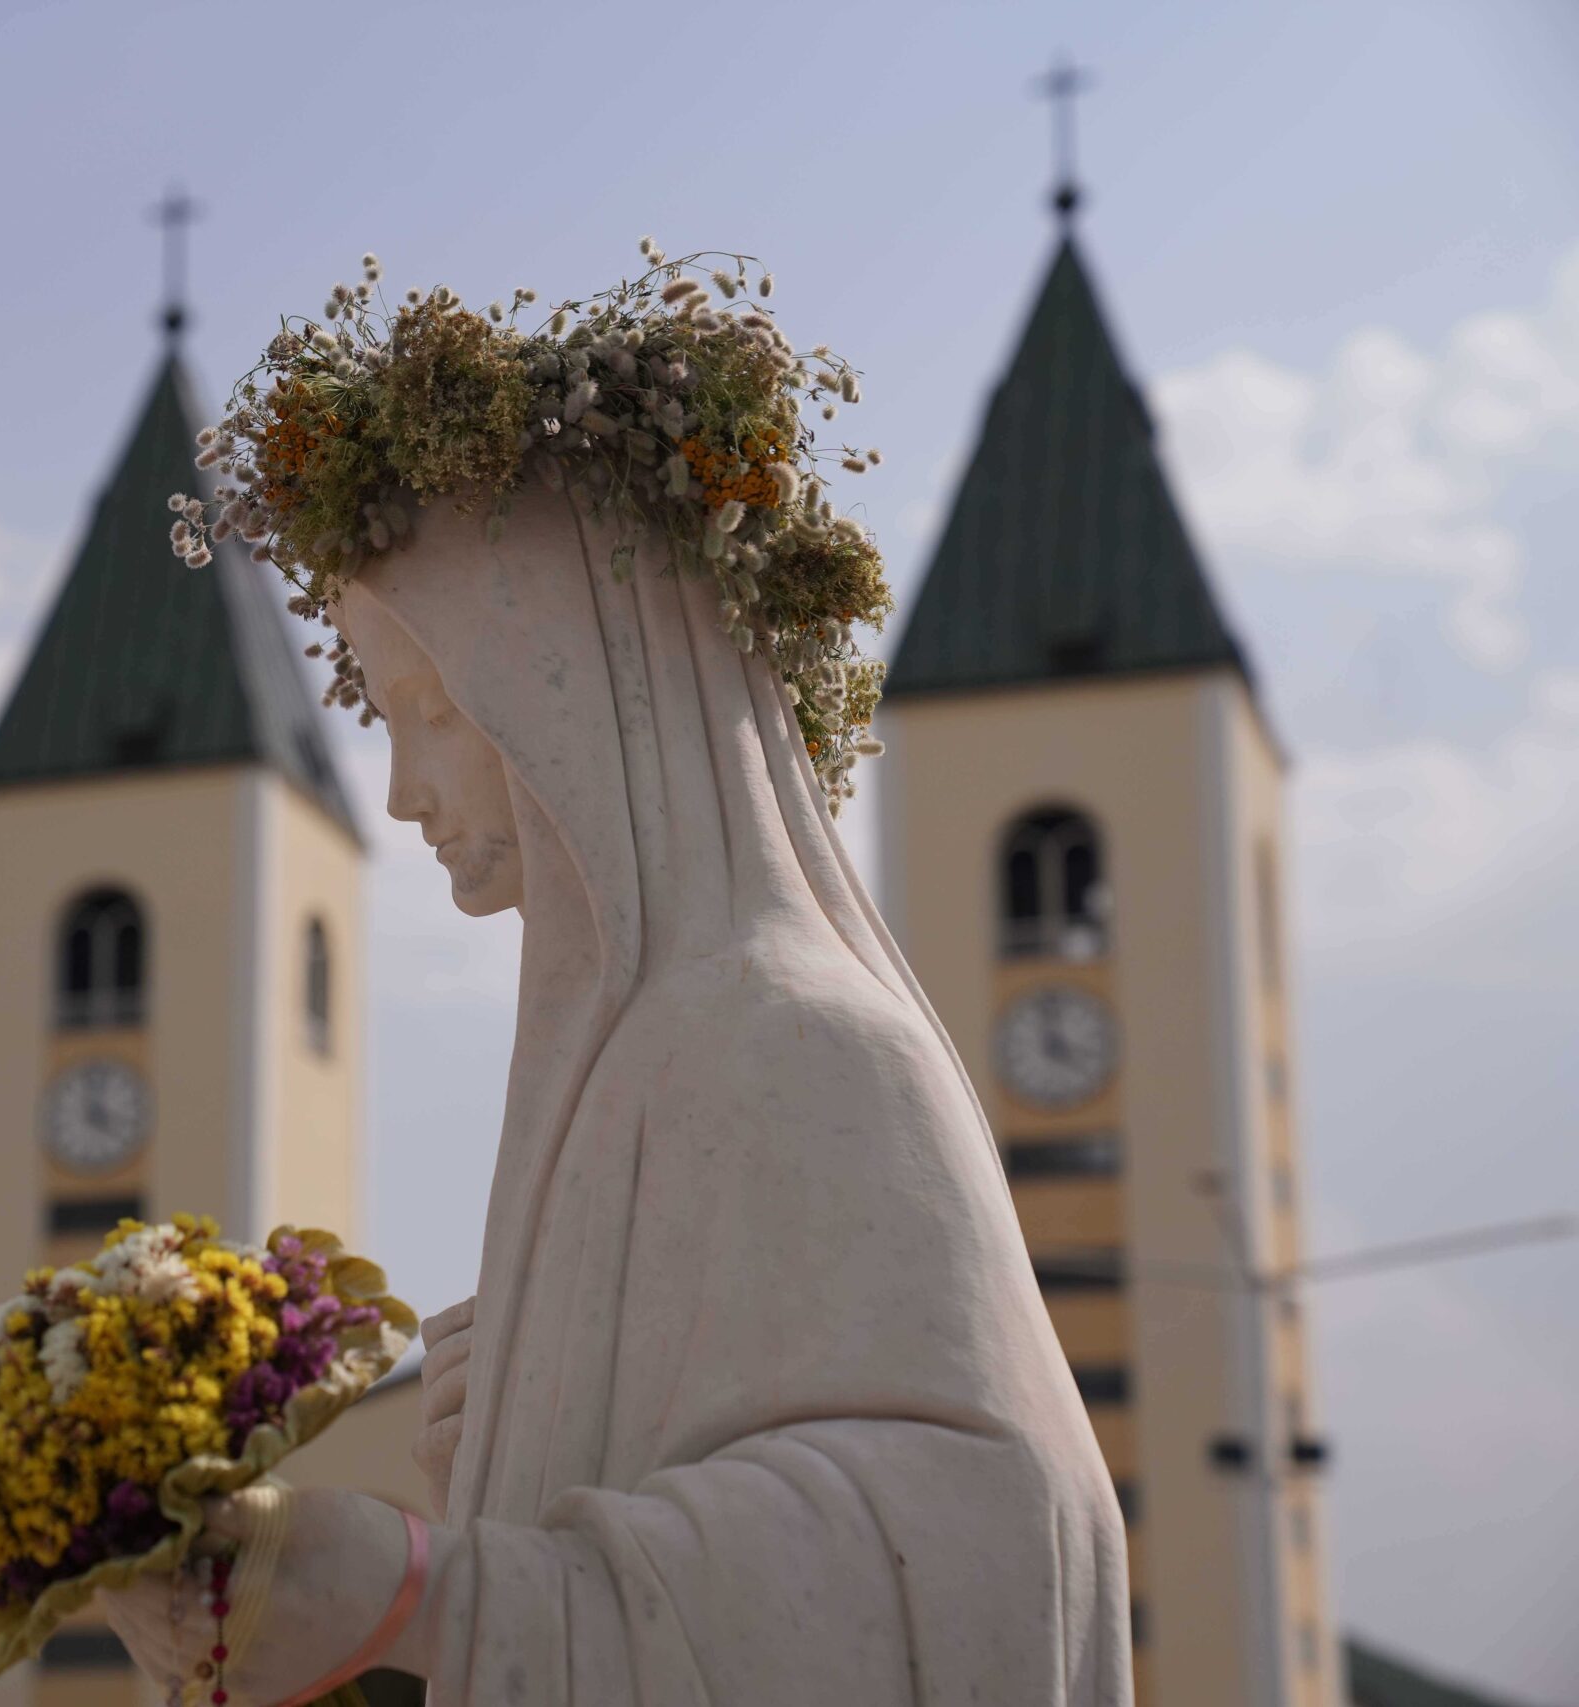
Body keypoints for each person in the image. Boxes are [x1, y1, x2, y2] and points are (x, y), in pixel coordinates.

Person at [104, 483, 1130, 1706]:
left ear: (580, 703)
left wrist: (435, 1592)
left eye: (430, 711)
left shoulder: (800, 1043)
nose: (399, 792)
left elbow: (999, 1533)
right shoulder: (616, 1073)